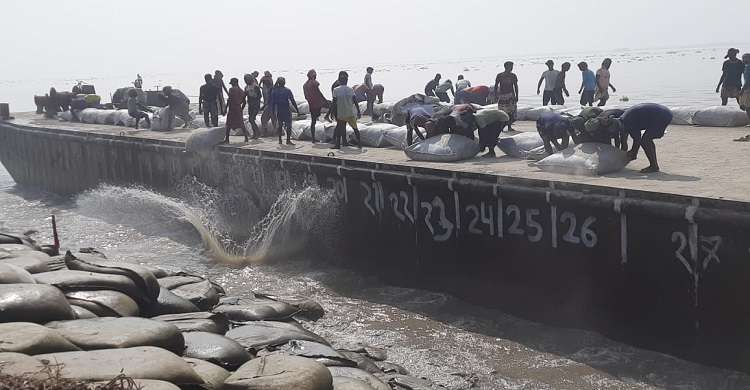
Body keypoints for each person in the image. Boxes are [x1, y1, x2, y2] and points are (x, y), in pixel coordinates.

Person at [618, 103, 672, 173]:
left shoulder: (627, 123)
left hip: (661, 115)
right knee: (647, 139)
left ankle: (654, 166)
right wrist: (633, 151)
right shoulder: (624, 120)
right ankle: (654, 165)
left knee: (645, 141)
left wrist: (634, 152)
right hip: (663, 112)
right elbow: (634, 138)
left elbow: (637, 139)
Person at [330, 71, 362, 149]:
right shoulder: (351, 89)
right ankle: (359, 144)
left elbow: (334, 103)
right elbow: (355, 101)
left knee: (340, 128)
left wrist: (332, 112)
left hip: (341, 112)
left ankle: (338, 144)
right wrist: (358, 111)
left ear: (340, 81)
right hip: (351, 112)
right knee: (355, 128)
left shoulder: (336, 90)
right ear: (347, 81)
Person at [303, 69, 331, 143]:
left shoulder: (305, 85)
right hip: (318, 102)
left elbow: (306, 96)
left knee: (313, 120)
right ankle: (327, 116)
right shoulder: (312, 83)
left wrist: (310, 101)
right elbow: (318, 91)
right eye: (315, 75)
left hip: (312, 104)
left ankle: (313, 138)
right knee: (332, 106)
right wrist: (324, 100)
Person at [270, 77, 300, 145]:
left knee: (280, 125)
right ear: (284, 82)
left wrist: (272, 112)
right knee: (288, 125)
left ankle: (280, 140)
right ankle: (288, 140)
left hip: (279, 110)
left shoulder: (274, 91)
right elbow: (292, 100)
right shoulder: (287, 90)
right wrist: (297, 110)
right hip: (286, 110)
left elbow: (273, 103)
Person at [221, 78, 251, 143]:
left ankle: (227, 139)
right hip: (238, 108)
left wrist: (225, 109)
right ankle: (246, 138)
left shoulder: (232, 90)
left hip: (232, 108)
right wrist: (241, 109)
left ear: (234, 83)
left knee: (229, 124)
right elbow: (244, 102)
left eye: (232, 83)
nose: (231, 85)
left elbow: (229, 99)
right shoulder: (241, 91)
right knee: (241, 124)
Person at [494, 62, 519, 131]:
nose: (511, 68)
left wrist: (517, 95)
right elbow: (496, 85)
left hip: (511, 94)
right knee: (502, 111)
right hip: (502, 95)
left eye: (512, 66)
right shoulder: (500, 75)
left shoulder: (513, 76)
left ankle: (509, 126)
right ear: (505, 67)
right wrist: (495, 95)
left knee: (512, 111)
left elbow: (515, 86)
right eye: (510, 66)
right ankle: (501, 126)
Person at [244, 73, 262, 139]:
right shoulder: (246, 87)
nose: (246, 82)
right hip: (250, 105)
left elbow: (260, 96)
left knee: (251, 119)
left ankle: (256, 134)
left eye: (246, 80)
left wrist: (255, 99)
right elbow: (245, 97)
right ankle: (257, 133)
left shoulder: (256, 86)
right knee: (251, 120)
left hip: (255, 105)